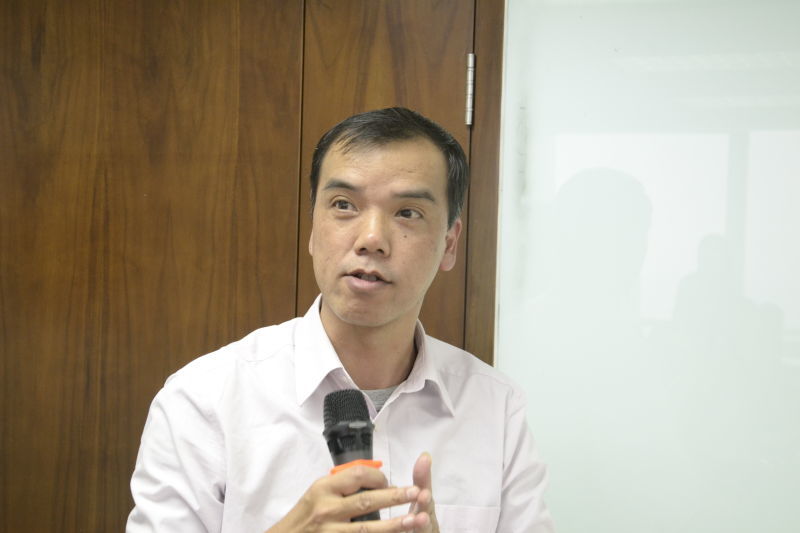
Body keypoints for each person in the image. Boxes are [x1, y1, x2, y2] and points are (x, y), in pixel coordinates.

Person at [126, 108, 555, 532]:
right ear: (314, 228)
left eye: (407, 212)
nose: (371, 239)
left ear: (449, 244)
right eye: (344, 205)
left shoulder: (496, 409)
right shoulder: (204, 400)